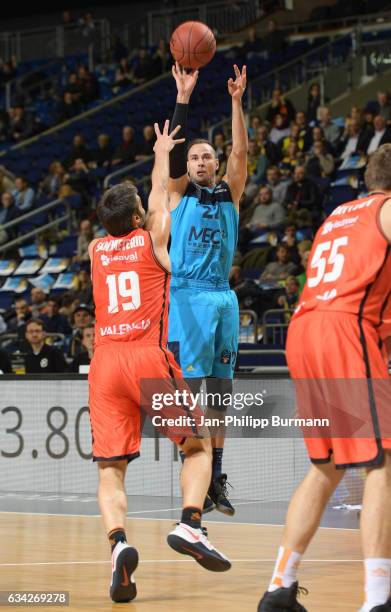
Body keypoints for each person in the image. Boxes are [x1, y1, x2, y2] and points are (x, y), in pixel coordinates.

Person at [88, 121, 231, 604]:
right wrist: (161, 152)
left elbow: (147, 198)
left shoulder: (94, 251)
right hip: (147, 355)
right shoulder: (152, 240)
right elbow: (160, 192)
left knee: (110, 468)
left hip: (104, 362)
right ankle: (191, 524)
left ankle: (118, 545)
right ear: (136, 219)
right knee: (197, 448)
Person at [257, 143, 391, 611]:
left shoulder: (337, 216)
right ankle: (379, 597)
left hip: (304, 330)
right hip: (342, 328)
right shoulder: (387, 209)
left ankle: (279, 588)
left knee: (326, 466)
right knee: (382, 464)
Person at [167, 62, 247, 516]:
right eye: (195, 157)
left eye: (205, 157)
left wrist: (236, 101)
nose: (199, 161)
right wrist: (184, 97)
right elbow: (175, 152)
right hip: (188, 296)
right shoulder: (180, 193)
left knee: (220, 393)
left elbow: (241, 154)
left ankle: (215, 474)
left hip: (222, 296)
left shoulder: (229, 193)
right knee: (189, 390)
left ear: (214, 164)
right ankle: (192, 473)